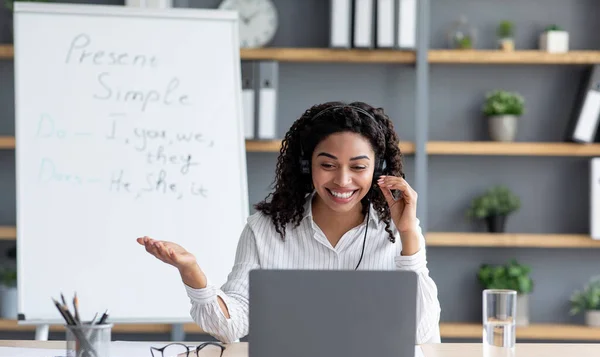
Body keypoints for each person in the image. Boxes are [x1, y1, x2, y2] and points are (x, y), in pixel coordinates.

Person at [137, 101, 441, 344]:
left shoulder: (399, 231)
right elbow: (232, 327)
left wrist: (409, 236)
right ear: (306, 166)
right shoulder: (265, 229)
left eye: (358, 167)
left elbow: (421, 333)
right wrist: (192, 272)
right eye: (327, 165)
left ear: (379, 169)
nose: (343, 180)